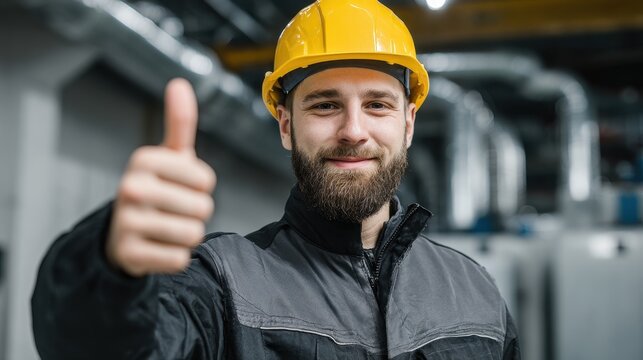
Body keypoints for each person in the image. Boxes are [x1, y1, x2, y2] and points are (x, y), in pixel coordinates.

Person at [32, 0, 520, 358]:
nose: (353, 130)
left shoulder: (475, 291)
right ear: (286, 125)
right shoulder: (220, 283)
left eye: (377, 105)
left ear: (408, 124)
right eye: (325, 105)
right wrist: (107, 264)